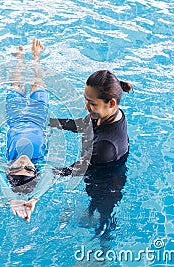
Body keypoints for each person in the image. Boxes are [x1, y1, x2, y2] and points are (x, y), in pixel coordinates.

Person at [49, 70, 132, 236]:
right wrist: (52, 122)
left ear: (111, 103)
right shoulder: (106, 114)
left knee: (104, 217)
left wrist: (50, 172)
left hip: (108, 185)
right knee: (92, 205)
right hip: (97, 168)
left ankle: (103, 249)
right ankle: (90, 214)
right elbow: (83, 124)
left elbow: (80, 168)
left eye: (92, 103)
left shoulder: (105, 145)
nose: (87, 107)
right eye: (86, 100)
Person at [5, 38, 48, 222]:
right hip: (38, 117)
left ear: (9, 169)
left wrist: (11, 199)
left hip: (15, 117)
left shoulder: (7, 158)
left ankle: (20, 59)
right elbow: (48, 180)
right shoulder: (40, 160)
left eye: (17, 168)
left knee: (16, 86)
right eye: (28, 169)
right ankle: (36, 58)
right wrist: (35, 199)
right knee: (37, 84)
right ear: (35, 170)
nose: (23, 162)